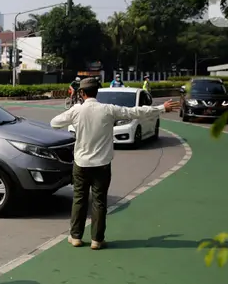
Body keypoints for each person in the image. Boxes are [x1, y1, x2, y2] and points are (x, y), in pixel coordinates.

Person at [50, 78, 179, 250]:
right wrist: (161, 108)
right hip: (102, 164)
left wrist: (75, 115)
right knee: (99, 201)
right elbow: (135, 112)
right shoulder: (108, 110)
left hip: (81, 163)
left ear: (82, 93)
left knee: (79, 199)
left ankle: (75, 237)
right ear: (97, 92)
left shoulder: (77, 110)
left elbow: (54, 123)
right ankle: (97, 239)